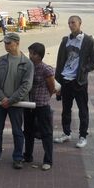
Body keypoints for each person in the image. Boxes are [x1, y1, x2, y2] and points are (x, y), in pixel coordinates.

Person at [0, 32, 34, 169]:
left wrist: (11, 100)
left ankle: (18, 158)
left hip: (16, 103)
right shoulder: (1, 60)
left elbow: (26, 86)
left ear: (17, 43)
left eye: (9, 43)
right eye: (5, 43)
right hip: (0, 102)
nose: (6, 46)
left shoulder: (27, 63)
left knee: (17, 131)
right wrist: (2, 98)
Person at [54, 15, 94, 148]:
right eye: (69, 23)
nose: (70, 25)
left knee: (82, 110)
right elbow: (59, 61)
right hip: (65, 80)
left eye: (73, 22)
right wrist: (57, 81)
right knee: (66, 109)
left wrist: (83, 70)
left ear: (80, 23)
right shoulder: (65, 40)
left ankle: (82, 136)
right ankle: (66, 133)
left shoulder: (88, 40)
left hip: (79, 82)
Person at [24, 43, 56, 171]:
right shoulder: (28, 67)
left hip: (42, 105)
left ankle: (48, 160)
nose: (30, 56)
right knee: (28, 131)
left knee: (46, 133)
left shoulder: (45, 69)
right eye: (30, 53)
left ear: (39, 55)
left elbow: (51, 87)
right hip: (29, 104)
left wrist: (46, 96)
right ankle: (28, 155)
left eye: (33, 54)